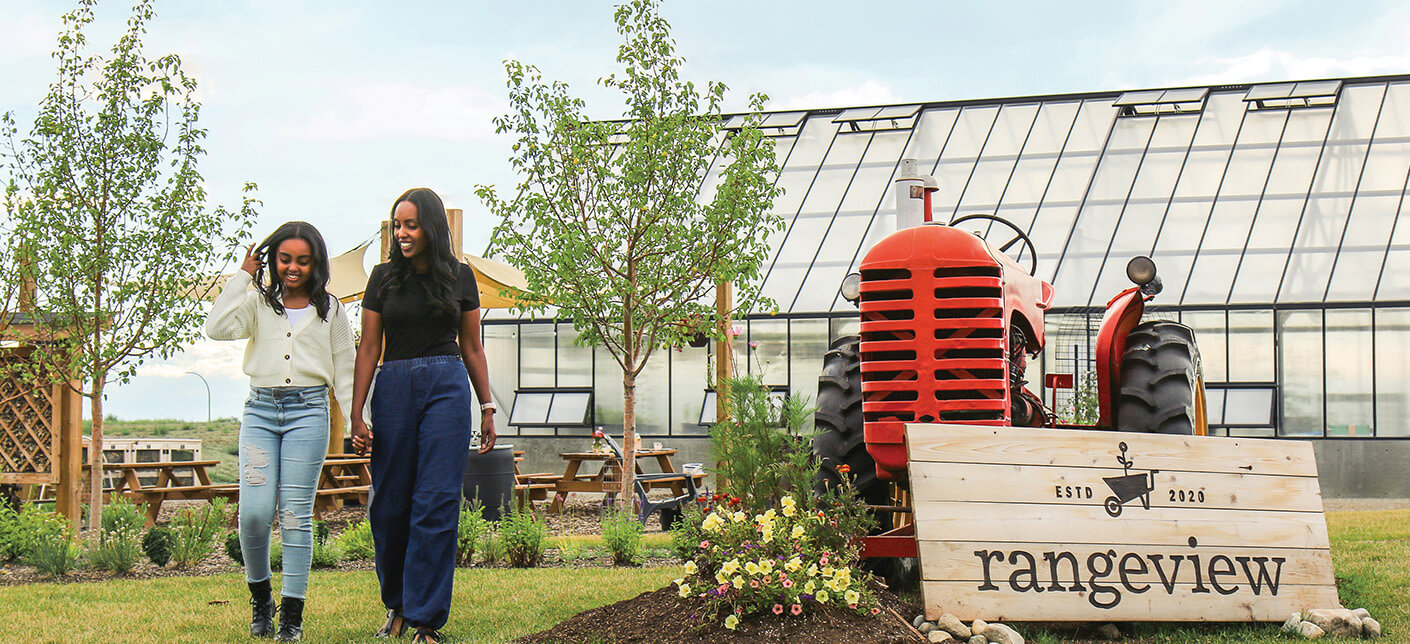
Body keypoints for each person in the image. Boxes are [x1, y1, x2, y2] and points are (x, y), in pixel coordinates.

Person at [351, 187, 497, 644]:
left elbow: (472, 346)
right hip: (392, 388)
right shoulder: (382, 278)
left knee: (436, 502)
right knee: (390, 505)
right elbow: (369, 348)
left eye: (411, 224)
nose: (402, 233)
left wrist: (487, 405)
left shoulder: (460, 277)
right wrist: (356, 413)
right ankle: (396, 604)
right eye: (397, 225)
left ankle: (426, 620)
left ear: (431, 226)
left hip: (446, 387)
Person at [207, 222, 354, 641]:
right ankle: (261, 601)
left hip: (309, 413)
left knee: (293, 516)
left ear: (316, 264)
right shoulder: (257, 303)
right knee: (253, 514)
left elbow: (344, 373)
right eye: (285, 259)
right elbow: (215, 328)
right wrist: (241, 276)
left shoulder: (332, 310)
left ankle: (291, 616)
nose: (293, 268)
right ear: (273, 261)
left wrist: (362, 421)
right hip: (260, 412)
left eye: (302, 261)